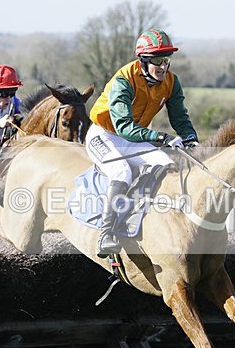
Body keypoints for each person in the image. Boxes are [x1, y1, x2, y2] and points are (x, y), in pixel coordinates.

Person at [85, 28, 199, 257]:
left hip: (133, 137)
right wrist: (160, 137)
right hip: (105, 135)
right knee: (121, 171)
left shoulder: (171, 82)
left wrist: (191, 138)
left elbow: (179, 118)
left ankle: (139, 215)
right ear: (143, 61)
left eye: (166, 60)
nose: (163, 66)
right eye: (158, 61)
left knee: (165, 163)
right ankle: (106, 234)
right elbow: (123, 127)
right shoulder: (124, 80)